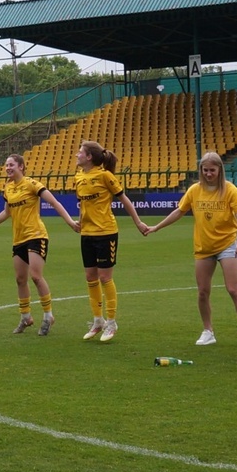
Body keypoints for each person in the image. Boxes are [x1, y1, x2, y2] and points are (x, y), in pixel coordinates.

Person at [143, 151, 237, 348]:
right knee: (203, 291)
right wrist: (156, 227)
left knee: (233, 289)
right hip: (203, 246)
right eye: (205, 170)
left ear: (219, 170)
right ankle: (208, 331)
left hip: (227, 243)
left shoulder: (229, 189)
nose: (209, 174)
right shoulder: (195, 190)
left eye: (212, 170)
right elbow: (179, 211)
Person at [0, 154, 76, 336]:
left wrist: (70, 222)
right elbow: (6, 213)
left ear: (21, 166)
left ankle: (48, 315)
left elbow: (54, 202)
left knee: (35, 276)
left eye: (11, 165)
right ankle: (25, 317)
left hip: (36, 235)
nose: (7, 168)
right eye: (6, 165)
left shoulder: (32, 184)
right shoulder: (8, 188)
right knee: (20, 279)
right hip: (19, 238)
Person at [66, 140, 147, 343]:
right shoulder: (78, 177)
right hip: (87, 234)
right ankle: (97, 320)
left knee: (104, 277)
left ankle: (111, 322)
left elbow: (124, 199)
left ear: (89, 157)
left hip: (106, 232)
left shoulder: (105, 176)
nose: (76, 155)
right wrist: (80, 222)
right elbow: (83, 204)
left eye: (80, 152)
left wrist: (138, 222)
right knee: (90, 277)